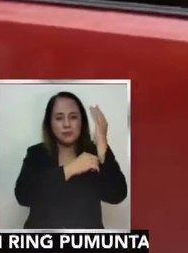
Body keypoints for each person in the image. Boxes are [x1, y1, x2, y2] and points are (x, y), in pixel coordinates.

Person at [12, 91, 127, 230]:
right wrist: (69, 170)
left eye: (73, 117)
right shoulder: (37, 154)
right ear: (49, 123)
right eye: (59, 118)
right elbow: (23, 196)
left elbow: (117, 195)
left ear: (82, 121)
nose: (66, 124)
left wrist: (102, 147)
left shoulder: (94, 152)